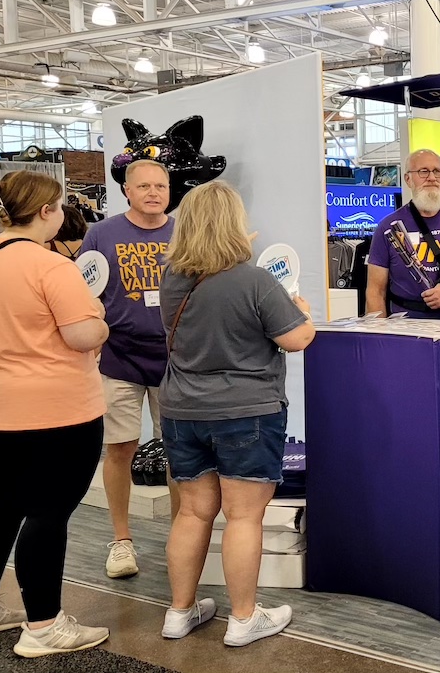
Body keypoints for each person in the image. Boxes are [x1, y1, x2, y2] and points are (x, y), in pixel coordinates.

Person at [0, 171, 111, 657]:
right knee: (47, 512)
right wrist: (101, 321)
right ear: (46, 211)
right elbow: (83, 334)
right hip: (53, 410)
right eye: (60, 206)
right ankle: (44, 626)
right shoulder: (50, 268)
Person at [157, 180, 316, 646]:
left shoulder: (173, 280)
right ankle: (244, 618)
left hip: (181, 411)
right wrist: (300, 313)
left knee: (192, 512)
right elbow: (297, 338)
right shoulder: (255, 280)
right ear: (233, 224)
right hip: (247, 413)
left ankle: (179, 612)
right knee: (244, 517)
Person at [80, 158, 178, 579]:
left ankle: (182, 534)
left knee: (179, 451)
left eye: (160, 185)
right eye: (144, 186)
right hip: (118, 355)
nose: (153, 192)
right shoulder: (101, 234)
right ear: (127, 190)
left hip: (176, 358)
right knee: (120, 447)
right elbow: (81, 291)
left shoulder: (185, 232)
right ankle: (121, 541)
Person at [366, 149, 440, 320]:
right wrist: (377, 337)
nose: (432, 178)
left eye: (437, 171)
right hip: (408, 327)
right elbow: (375, 291)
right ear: (408, 179)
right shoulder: (388, 227)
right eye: (423, 171)